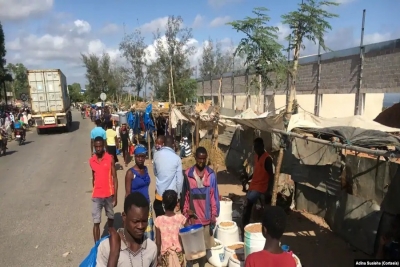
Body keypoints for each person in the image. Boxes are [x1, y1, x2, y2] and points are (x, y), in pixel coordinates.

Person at [97, 192, 158, 267]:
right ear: (124, 217)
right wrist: (114, 254)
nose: (141, 226)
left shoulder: (151, 248)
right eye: (136, 221)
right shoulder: (107, 247)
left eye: (144, 221)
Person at [182, 146, 220, 267]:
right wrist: (186, 212)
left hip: (206, 218)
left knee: (203, 249)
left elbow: (214, 196)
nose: (201, 161)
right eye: (199, 159)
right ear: (195, 158)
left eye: (204, 159)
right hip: (193, 218)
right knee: (191, 249)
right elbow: (185, 196)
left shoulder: (211, 175)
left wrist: (214, 215)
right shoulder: (188, 175)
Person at [242, 137, 274, 239]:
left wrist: (269, 190)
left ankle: (245, 224)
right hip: (254, 185)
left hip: (261, 187)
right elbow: (257, 171)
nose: (255, 149)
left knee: (248, 203)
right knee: (248, 202)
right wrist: (249, 178)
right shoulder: (256, 157)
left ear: (262, 146)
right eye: (254, 147)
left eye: (257, 147)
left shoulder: (267, 159)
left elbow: (271, 176)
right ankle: (246, 223)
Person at [89, 136, 118, 243]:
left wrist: (115, 196)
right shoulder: (91, 161)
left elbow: (115, 177)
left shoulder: (110, 158)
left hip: (109, 195)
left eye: (100, 146)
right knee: (96, 222)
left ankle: (111, 240)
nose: (98, 149)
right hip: (97, 196)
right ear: (94, 147)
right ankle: (96, 246)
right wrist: (95, 189)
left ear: (103, 146)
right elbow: (94, 177)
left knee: (111, 218)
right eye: (96, 146)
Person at [124, 144, 154, 240]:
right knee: (137, 232)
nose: (140, 159)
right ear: (135, 157)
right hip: (136, 209)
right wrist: (127, 211)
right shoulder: (130, 173)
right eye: (138, 156)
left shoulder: (145, 169)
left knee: (148, 234)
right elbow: (128, 193)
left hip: (147, 205)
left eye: (142, 156)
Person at [153, 135, 183, 218]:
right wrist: (179, 198)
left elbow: (155, 172)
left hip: (159, 194)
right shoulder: (177, 159)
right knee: (169, 225)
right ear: (173, 144)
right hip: (171, 198)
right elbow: (179, 181)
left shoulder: (156, 155)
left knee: (160, 223)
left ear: (163, 144)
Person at [155, 190, 187, 267]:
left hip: (165, 256)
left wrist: (157, 256)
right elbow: (189, 231)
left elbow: (158, 243)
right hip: (178, 254)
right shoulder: (181, 218)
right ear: (176, 204)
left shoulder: (159, 220)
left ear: (163, 204)